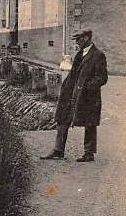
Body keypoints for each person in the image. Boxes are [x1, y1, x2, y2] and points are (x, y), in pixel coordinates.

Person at [41, 29, 108, 162]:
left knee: (90, 123)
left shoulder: (98, 55)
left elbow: (102, 77)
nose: (77, 42)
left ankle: (89, 153)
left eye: (79, 39)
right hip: (71, 94)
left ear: (88, 38)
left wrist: (87, 87)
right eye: (76, 39)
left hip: (88, 96)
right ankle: (58, 150)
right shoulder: (79, 54)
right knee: (62, 118)